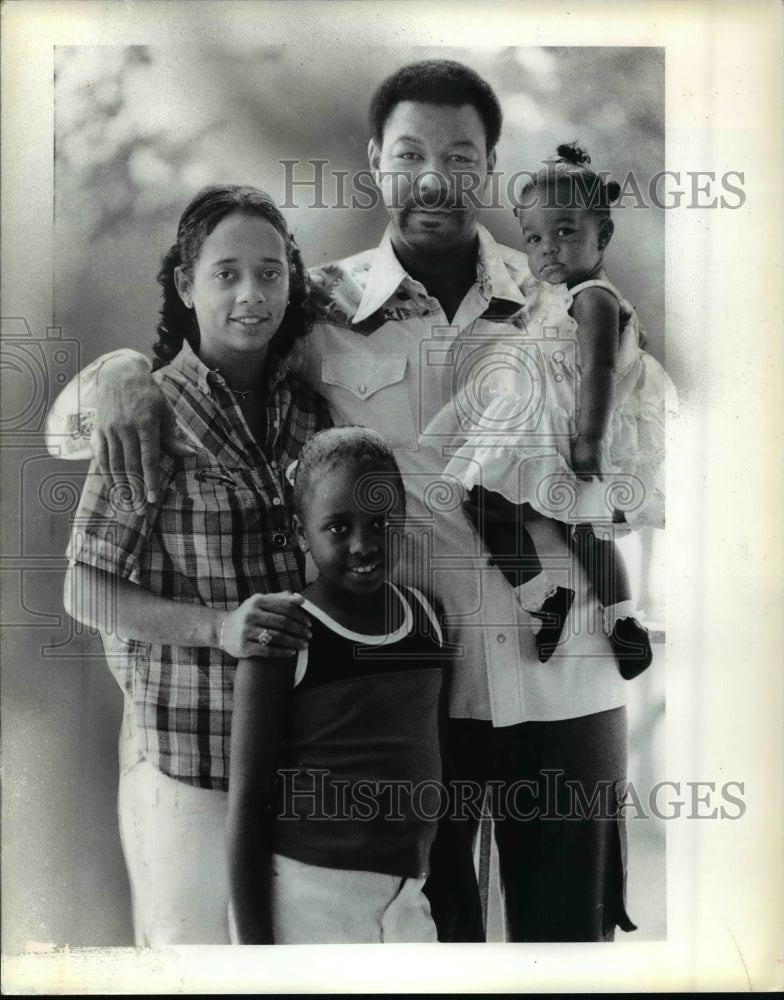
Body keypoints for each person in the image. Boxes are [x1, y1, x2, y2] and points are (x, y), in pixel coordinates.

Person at [49, 60, 640, 942]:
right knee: (423, 946)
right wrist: (120, 371)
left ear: (489, 164)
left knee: (572, 946)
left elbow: (627, 466)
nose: (434, 177)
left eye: (459, 155)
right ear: (375, 162)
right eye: (409, 154)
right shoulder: (315, 305)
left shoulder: (565, 301)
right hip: (403, 704)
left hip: (567, 686)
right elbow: (181, 375)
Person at [62, 185, 331, 945]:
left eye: (271, 273)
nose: (252, 294)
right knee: (191, 963)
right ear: (186, 284)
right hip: (184, 753)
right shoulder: (150, 412)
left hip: (297, 751)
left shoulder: (309, 411)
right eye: (226, 274)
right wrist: (219, 627)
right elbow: (84, 588)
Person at [424, 141, 676, 677]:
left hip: (570, 428)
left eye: (566, 232)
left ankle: (615, 616)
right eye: (535, 238)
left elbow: (600, 370)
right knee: (495, 501)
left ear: (602, 236)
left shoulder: (596, 299)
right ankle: (558, 601)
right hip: (536, 421)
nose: (548, 250)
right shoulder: (552, 296)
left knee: (575, 521)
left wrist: (590, 441)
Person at [227, 426, 447, 944]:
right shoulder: (285, 635)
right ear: (303, 532)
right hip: (311, 901)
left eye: (379, 522)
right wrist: (258, 962)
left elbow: (439, 768)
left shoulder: (426, 618)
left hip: (409, 900)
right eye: (338, 527)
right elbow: (247, 810)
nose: (364, 544)